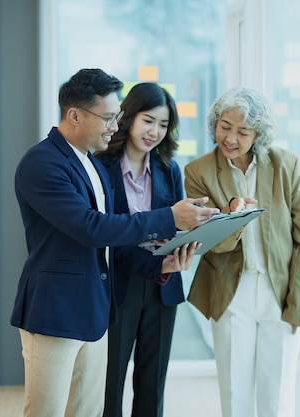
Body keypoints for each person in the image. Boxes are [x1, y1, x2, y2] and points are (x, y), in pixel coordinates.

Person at [11, 68, 219, 417]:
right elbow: (91, 228)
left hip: (95, 309)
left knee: (90, 410)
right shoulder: (42, 163)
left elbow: (107, 243)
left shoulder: (90, 163)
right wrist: (170, 217)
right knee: (45, 411)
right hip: (55, 312)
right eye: (108, 117)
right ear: (74, 115)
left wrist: (160, 263)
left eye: (117, 116)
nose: (114, 125)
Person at [184, 86, 300, 417]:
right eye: (224, 126)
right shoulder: (197, 172)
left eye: (243, 131)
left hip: (279, 291)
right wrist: (233, 217)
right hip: (231, 291)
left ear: (258, 135)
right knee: (235, 396)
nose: (230, 137)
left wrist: (299, 303)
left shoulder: (287, 164)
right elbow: (210, 243)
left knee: (278, 397)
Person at [94, 82, 188, 417]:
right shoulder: (100, 168)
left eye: (163, 125)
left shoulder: (168, 169)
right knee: (110, 380)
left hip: (163, 287)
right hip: (119, 284)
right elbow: (105, 234)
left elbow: (176, 224)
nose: (155, 132)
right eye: (149, 120)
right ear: (129, 117)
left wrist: (185, 242)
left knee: (152, 386)